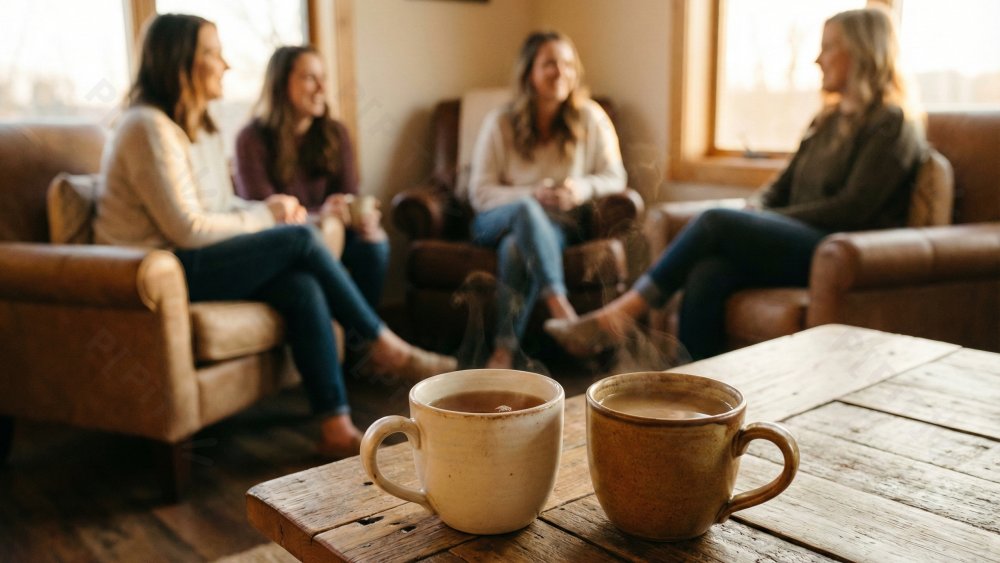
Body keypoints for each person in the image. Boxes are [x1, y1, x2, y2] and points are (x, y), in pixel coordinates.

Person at [93, 13, 456, 460]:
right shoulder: (146, 127)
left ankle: (335, 423)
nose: (225, 64)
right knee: (299, 240)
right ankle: (384, 345)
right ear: (179, 62)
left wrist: (266, 210)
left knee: (300, 284)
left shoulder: (197, 128)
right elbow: (186, 229)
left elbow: (218, 208)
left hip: (186, 257)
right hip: (153, 271)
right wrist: (268, 215)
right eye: (212, 52)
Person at [546, 6, 926, 360]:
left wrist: (769, 221)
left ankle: (619, 315)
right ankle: (696, 395)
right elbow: (781, 184)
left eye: (828, 48)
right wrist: (758, 210)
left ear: (862, 52)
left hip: (840, 250)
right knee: (709, 272)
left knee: (716, 220)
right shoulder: (825, 122)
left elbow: (853, 208)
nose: (817, 59)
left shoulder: (892, 125)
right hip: (800, 240)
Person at [467, 30, 627, 369]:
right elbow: (479, 193)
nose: (561, 72)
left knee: (515, 249)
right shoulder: (500, 122)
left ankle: (504, 352)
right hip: (494, 219)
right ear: (529, 72)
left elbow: (616, 177)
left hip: (553, 227)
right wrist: (532, 194)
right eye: (550, 63)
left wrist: (580, 190)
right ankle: (563, 311)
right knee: (525, 209)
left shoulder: (591, 117)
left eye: (568, 64)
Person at [234, 46, 389, 308]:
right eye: (309, 78)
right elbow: (263, 212)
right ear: (282, 84)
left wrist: (362, 219)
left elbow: (349, 192)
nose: (321, 88)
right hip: (284, 241)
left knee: (375, 247)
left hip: (337, 233)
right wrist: (321, 214)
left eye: (323, 78)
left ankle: (358, 345)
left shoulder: (336, 133)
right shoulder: (251, 138)